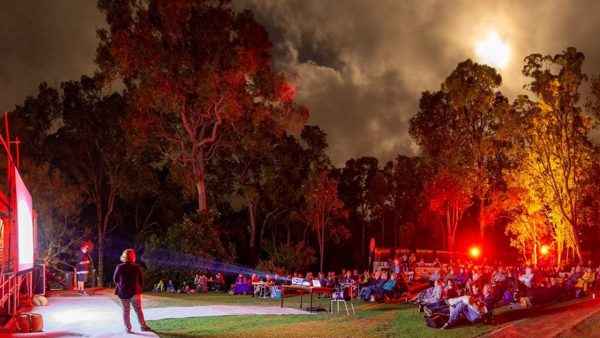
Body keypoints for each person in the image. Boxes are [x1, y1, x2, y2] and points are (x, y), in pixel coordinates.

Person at [113, 249, 151, 334]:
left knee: (125, 310)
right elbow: (142, 280)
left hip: (123, 292)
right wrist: (139, 288)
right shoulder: (137, 267)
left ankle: (128, 329)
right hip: (135, 292)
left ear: (124, 256)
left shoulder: (119, 267)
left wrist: (121, 284)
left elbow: (115, 280)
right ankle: (143, 326)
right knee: (138, 310)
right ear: (133, 257)